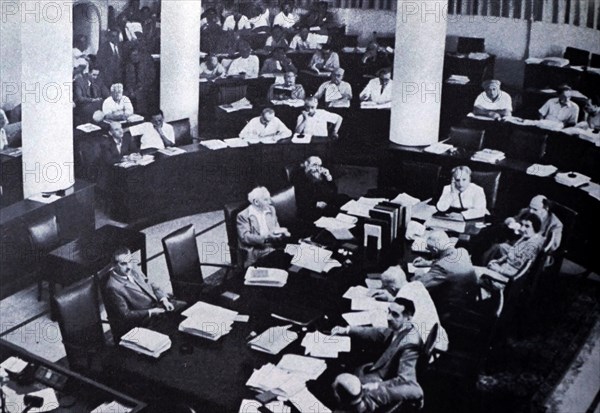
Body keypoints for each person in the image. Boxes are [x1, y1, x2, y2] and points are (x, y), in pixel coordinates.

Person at [331, 297, 423, 412]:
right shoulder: (401, 328)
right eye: (388, 311)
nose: (388, 317)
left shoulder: (410, 344)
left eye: (395, 314)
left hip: (378, 384)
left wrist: (377, 386)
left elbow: (409, 384)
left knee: (336, 384)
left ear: (408, 318)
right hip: (374, 371)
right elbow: (379, 332)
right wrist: (347, 330)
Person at [104, 247, 183, 340]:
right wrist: (151, 312)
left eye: (130, 261)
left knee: (186, 310)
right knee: (174, 332)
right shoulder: (113, 287)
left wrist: (164, 299)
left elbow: (150, 284)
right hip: (145, 319)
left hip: (159, 305)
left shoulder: (133, 268)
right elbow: (126, 314)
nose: (129, 266)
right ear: (114, 265)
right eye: (123, 264)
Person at [411, 231, 478, 319]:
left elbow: (417, 286)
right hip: (469, 300)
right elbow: (450, 260)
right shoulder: (462, 252)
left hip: (450, 311)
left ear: (435, 250)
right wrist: (428, 263)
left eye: (428, 248)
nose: (429, 251)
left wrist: (418, 273)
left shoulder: (441, 268)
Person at [237, 186, 290, 267]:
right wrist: (266, 238)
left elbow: (276, 228)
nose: (270, 202)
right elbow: (245, 237)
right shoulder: (243, 215)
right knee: (281, 262)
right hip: (257, 251)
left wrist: (282, 233)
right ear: (256, 202)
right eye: (266, 200)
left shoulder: (271, 209)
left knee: (294, 258)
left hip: (273, 247)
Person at [485, 212, 545, 278]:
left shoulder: (532, 246)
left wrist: (499, 270)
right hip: (503, 270)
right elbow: (511, 252)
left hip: (504, 279)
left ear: (536, 227)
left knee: (472, 273)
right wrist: (498, 261)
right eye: (522, 225)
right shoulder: (527, 237)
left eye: (527, 226)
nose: (522, 229)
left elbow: (520, 274)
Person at [291, 156, 340, 221]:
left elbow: (334, 192)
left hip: (323, 203)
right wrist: (316, 204)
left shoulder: (318, 174)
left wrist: (328, 176)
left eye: (319, 165)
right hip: (309, 209)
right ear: (306, 164)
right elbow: (301, 200)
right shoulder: (300, 177)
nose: (317, 168)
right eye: (314, 165)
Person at [124, 45, 156, 115]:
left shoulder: (146, 64)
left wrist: (142, 87)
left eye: (135, 55)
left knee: (140, 96)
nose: (134, 57)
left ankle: (141, 115)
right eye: (132, 56)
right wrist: (131, 90)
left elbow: (151, 78)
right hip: (133, 89)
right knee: (124, 97)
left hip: (145, 88)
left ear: (139, 55)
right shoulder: (129, 65)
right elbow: (128, 81)